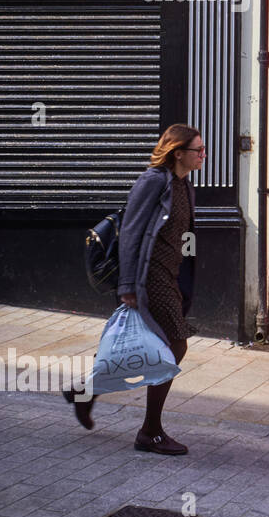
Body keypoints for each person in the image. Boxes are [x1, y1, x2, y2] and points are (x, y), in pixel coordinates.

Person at [63, 124, 203, 455]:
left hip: (170, 275)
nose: (204, 155)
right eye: (199, 150)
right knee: (174, 346)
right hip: (146, 277)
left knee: (142, 343)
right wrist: (127, 285)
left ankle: (85, 393)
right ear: (178, 153)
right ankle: (149, 432)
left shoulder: (184, 184)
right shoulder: (154, 181)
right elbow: (130, 232)